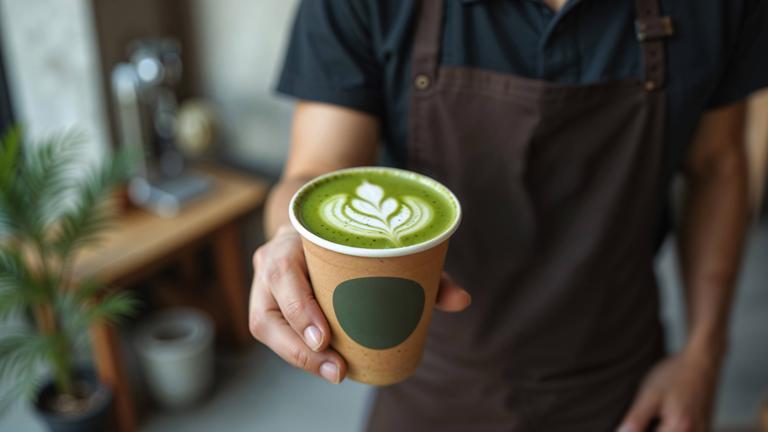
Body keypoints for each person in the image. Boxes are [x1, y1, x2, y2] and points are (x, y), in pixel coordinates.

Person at [248, 0, 768, 430]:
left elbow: (717, 165)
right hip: (428, 378)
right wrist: (290, 238)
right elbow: (318, 168)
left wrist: (704, 355)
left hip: (619, 387)